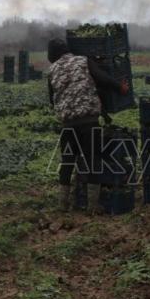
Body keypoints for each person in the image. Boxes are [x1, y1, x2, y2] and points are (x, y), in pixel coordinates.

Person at [47, 39, 129, 214]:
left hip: (68, 125)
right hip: (88, 122)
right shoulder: (82, 61)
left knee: (67, 162)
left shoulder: (51, 70)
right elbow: (102, 78)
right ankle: (92, 206)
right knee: (93, 161)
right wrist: (119, 87)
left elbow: (51, 99)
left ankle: (63, 204)